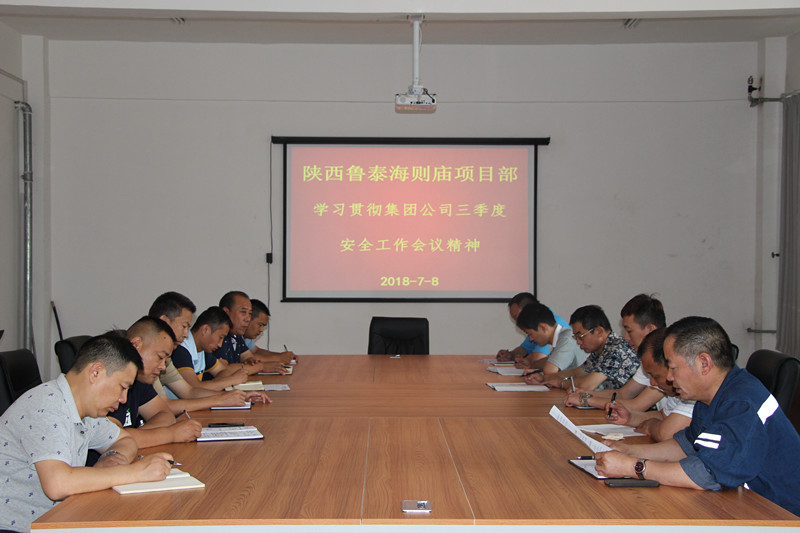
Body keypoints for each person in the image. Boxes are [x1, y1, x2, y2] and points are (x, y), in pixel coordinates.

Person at [595, 316, 800, 516]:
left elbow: (706, 474)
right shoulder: (710, 398)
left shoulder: (740, 402)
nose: (669, 378)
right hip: (746, 503)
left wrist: (633, 467)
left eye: (673, 368)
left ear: (704, 363)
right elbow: (685, 446)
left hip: (780, 515)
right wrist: (629, 451)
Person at [0, 335, 173, 532]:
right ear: (96, 372)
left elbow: (125, 440)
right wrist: (136, 472)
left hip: (57, 520)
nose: (124, 399)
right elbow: (58, 485)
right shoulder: (47, 406)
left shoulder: (87, 411)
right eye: (122, 387)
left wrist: (111, 458)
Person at [148, 291, 270, 411]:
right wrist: (223, 396)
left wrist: (239, 396)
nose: (186, 334)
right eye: (184, 326)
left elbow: (190, 392)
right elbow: (168, 404)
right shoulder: (178, 351)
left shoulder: (167, 359)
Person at [97, 317, 202, 455]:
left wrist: (137, 437)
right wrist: (170, 434)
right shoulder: (109, 378)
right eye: (160, 357)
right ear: (136, 345)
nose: (163, 367)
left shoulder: (140, 378)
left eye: (166, 361)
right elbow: (110, 439)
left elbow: (165, 415)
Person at [565, 293, 666, 408]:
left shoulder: (665, 360)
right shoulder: (648, 358)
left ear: (650, 329)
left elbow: (636, 405)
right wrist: (585, 394)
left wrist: (586, 400)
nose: (626, 337)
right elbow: (624, 394)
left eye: (629, 331)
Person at [604, 328, 694, 441]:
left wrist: (650, 426)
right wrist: (630, 417)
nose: (652, 383)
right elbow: (663, 416)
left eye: (656, 376)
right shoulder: (676, 391)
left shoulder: (691, 391)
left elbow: (665, 433)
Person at [529, 305, 638, 391]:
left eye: (580, 336)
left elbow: (587, 385)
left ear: (599, 331)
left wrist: (560, 383)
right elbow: (577, 373)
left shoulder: (617, 349)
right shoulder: (599, 350)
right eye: (575, 337)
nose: (578, 342)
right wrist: (545, 378)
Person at [171, 306, 250, 391]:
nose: (220, 345)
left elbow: (223, 371)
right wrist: (231, 380)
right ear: (205, 329)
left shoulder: (202, 350)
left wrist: (217, 384)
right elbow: (194, 389)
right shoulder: (181, 349)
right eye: (220, 337)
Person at [212, 291, 288, 374]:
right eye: (243, 312)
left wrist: (250, 361)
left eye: (250, 313)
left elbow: (247, 356)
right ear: (226, 312)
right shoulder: (219, 336)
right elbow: (223, 370)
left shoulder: (236, 335)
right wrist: (261, 367)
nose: (248, 318)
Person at [514, 302, 587, 377]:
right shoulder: (558, 338)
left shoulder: (566, 338)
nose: (531, 339)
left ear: (543, 328)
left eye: (530, 334)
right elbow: (548, 361)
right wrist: (531, 365)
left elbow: (550, 371)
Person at [496, 292, 569, 365]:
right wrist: (510, 355)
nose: (517, 323)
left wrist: (528, 360)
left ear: (528, 310)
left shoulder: (550, 325)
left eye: (517, 317)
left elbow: (539, 359)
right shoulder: (535, 325)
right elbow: (525, 349)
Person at [244, 299, 295, 364]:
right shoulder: (235, 335)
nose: (261, 330)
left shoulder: (247, 338)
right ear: (248, 319)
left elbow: (256, 351)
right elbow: (246, 358)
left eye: (263, 326)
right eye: (260, 325)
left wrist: (284, 356)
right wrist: (279, 358)